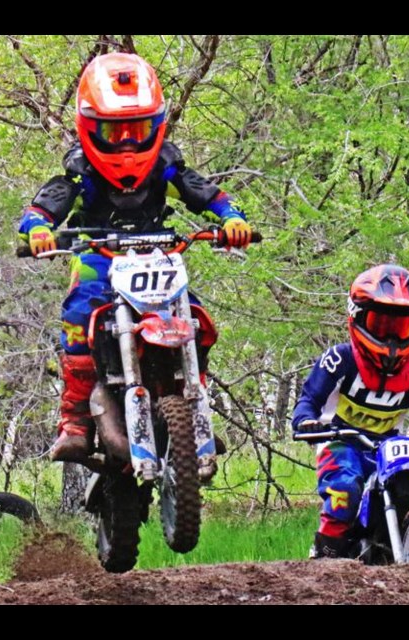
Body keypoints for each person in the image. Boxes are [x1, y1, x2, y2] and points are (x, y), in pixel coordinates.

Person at [18, 52, 252, 462]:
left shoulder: (164, 166)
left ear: (156, 126)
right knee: (78, 317)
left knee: (195, 320)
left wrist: (232, 219)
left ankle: (196, 411)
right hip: (98, 254)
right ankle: (73, 422)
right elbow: (47, 204)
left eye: (138, 129)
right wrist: (38, 229)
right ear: (91, 128)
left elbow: (206, 194)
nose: (127, 142)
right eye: (115, 131)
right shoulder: (82, 169)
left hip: (159, 256)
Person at [290, 264, 409, 559]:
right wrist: (306, 421)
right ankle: (325, 554)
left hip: (388, 444)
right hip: (341, 440)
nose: (391, 339)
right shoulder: (340, 359)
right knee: (345, 488)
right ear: (358, 317)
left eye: (400, 327)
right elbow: (308, 399)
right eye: (382, 325)